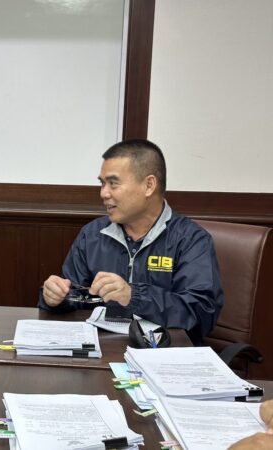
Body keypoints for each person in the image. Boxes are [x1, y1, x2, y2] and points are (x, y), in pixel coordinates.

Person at [39, 139, 224, 344]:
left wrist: (134, 296)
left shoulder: (190, 240)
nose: (103, 193)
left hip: (164, 353)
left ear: (148, 185)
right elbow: (74, 298)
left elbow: (202, 313)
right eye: (102, 183)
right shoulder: (92, 235)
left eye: (113, 183)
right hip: (103, 351)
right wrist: (56, 298)